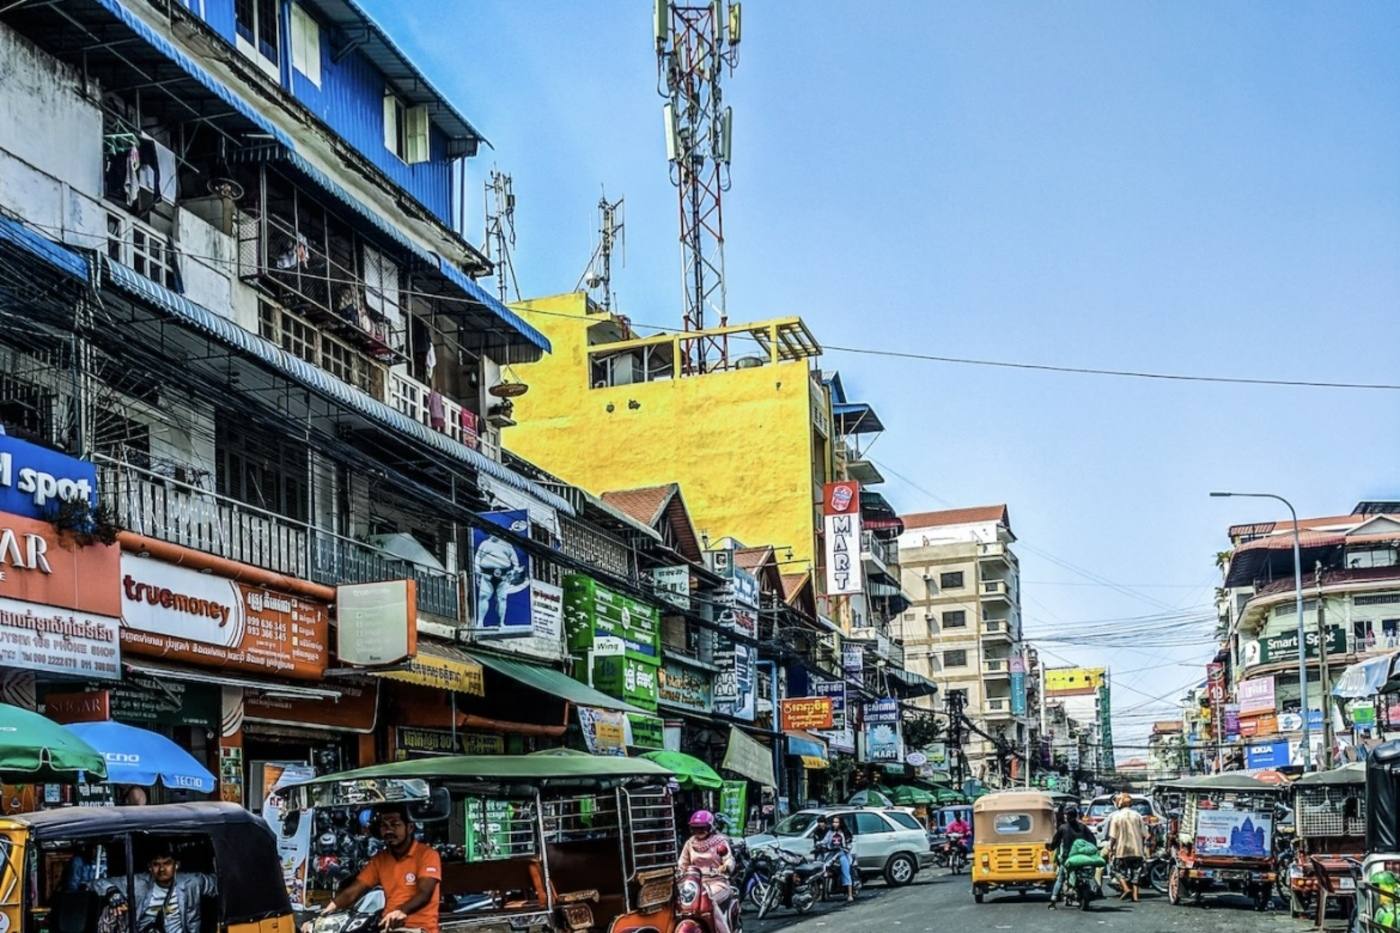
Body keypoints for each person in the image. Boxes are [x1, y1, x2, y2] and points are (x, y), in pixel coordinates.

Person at [316, 805, 441, 933]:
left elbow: (424, 893)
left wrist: (401, 911)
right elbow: (352, 892)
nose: (389, 830)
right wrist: (324, 914)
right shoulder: (380, 860)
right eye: (384, 826)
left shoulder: (428, 855)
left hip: (419, 929)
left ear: (409, 828)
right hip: (387, 927)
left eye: (395, 825)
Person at [93, 843, 216, 933]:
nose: (162, 869)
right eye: (156, 864)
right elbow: (97, 883)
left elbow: (221, 883)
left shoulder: (192, 883)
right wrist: (112, 892)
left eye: (167, 863)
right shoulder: (138, 882)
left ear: (176, 865)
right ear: (150, 867)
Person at [677, 810, 736, 933]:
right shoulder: (690, 843)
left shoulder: (720, 842)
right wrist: (678, 873)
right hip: (695, 885)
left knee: (709, 900)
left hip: (717, 882)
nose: (699, 831)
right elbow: (682, 864)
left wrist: (725, 866)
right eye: (695, 828)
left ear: (710, 827)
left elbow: (729, 859)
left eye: (702, 828)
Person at [1045, 807, 1096, 910]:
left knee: (1060, 878)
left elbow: (1055, 842)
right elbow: (1093, 840)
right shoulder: (1083, 827)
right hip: (1083, 857)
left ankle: (1053, 901)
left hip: (1068, 858)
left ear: (1066, 816)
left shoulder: (1063, 828)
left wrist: (1050, 848)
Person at [473, 532, 523, 627]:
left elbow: (516, 562)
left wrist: (512, 572)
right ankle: (480, 622)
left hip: (503, 577)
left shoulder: (507, 545)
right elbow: (477, 559)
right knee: (483, 597)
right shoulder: (484, 544)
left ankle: (501, 622)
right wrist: (477, 572)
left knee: (502, 599)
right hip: (487, 575)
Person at [1106, 793, 1148, 903]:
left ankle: (1125, 888)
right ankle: (1135, 896)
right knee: (1136, 872)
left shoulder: (1116, 816)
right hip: (1137, 849)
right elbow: (1145, 834)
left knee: (1116, 870)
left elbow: (1113, 836)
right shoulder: (1137, 816)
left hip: (1121, 850)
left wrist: (1110, 849)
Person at [818, 815, 857, 902]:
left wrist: (846, 847)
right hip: (831, 854)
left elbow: (848, 844)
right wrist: (819, 844)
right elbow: (825, 841)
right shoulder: (830, 832)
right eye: (834, 822)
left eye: (837, 822)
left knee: (845, 871)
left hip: (842, 854)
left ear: (840, 823)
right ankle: (821, 892)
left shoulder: (845, 833)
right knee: (822, 867)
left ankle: (850, 894)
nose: (835, 824)